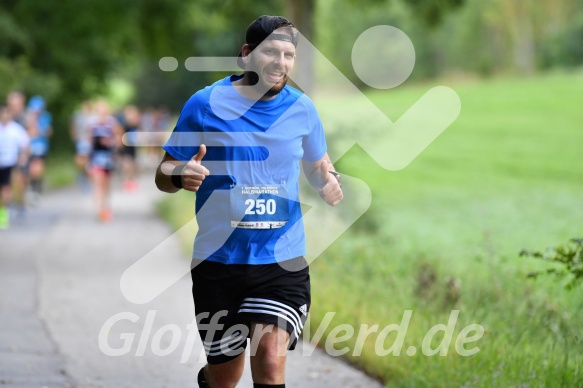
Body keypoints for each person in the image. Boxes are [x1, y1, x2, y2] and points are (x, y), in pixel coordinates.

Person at [155, 15, 343, 388]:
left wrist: (328, 180)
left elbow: (318, 162)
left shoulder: (302, 109)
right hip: (218, 262)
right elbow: (163, 173)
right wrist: (180, 174)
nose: (281, 62)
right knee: (225, 376)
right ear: (246, 55)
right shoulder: (204, 104)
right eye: (270, 52)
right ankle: (209, 377)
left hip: (280, 260)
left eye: (288, 54)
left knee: (270, 362)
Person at [88, 100, 122, 222]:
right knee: (98, 183)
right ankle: (98, 210)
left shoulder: (112, 123)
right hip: (96, 159)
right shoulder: (92, 124)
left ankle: (106, 207)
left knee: (106, 185)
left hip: (108, 159)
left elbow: (119, 139)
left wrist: (112, 143)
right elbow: (89, 141)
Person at [0, 104, 29, 229]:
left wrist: (23, 156)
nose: (4, 115)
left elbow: (25, 145)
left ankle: (4, 215)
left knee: (6, 189)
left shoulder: (16, 129)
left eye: (7, 113)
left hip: (10, 163)